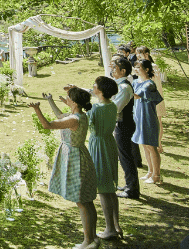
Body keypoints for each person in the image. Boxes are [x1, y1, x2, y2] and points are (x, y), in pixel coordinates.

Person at [47, 78, 122, 240]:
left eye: (94, 87)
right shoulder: (112, 104)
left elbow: (80, 112)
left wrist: (72, 101)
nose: (92, 88)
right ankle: (116, 225)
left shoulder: (95, 109)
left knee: (102, 188)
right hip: (110, 143)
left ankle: (109, 228)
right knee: (109, 186)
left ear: (100, 91)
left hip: (98, 145)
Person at [31, 88, 100, 249]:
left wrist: (37, 109)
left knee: (82, 202)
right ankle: (93, 237)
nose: (66, 99)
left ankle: (88, 241)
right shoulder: (79, 115)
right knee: (87, 202)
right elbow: (60, 116)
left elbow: (47, 125)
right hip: (80, 155)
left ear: (74, 102)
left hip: (75, 159)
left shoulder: (74, 119)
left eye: (69, 98)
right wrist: (50, 100)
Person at [111, 57, 143, 199]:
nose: (112, 70)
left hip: (124, 125)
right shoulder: (119, 85)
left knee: (126, 157)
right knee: (123, 157)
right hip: (121, 124)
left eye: (115, 68)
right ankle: (129, 184)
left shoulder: (124, 88)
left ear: (123, 71)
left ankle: (132, 190)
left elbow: (116, 108)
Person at [132, 59, 164, 184]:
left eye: (138, 67)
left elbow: (137, 95)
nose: (136, 69)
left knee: (152, 147)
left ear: (146, 69)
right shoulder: (135, 82)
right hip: (138, 117)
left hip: (148, 118)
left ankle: (157, 175)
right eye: (135, 67)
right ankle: (150, 171)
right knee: (144, 146)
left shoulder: (149, 84)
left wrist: (122, 89)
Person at [135, 46, 166, 154]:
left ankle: (158, 143)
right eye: (137, 54)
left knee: (158, 120)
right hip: (143, 99)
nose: (137, 56)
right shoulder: (139, 67)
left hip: (155, 97)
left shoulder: (153, 66)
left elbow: (153, 81)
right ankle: (154, 144)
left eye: (140, 53)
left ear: (146, 53)